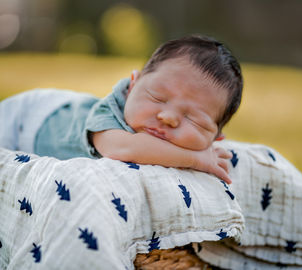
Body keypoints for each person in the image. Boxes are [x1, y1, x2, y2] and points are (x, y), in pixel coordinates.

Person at [0, 34, 243, 184]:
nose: (168, 117)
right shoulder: (108, 115)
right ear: (132, 86)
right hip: (26, 119)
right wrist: (196, 159)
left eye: (195, 120)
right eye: (157, 97)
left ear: (216, 138)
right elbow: (125, 148)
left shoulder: (202, 145)